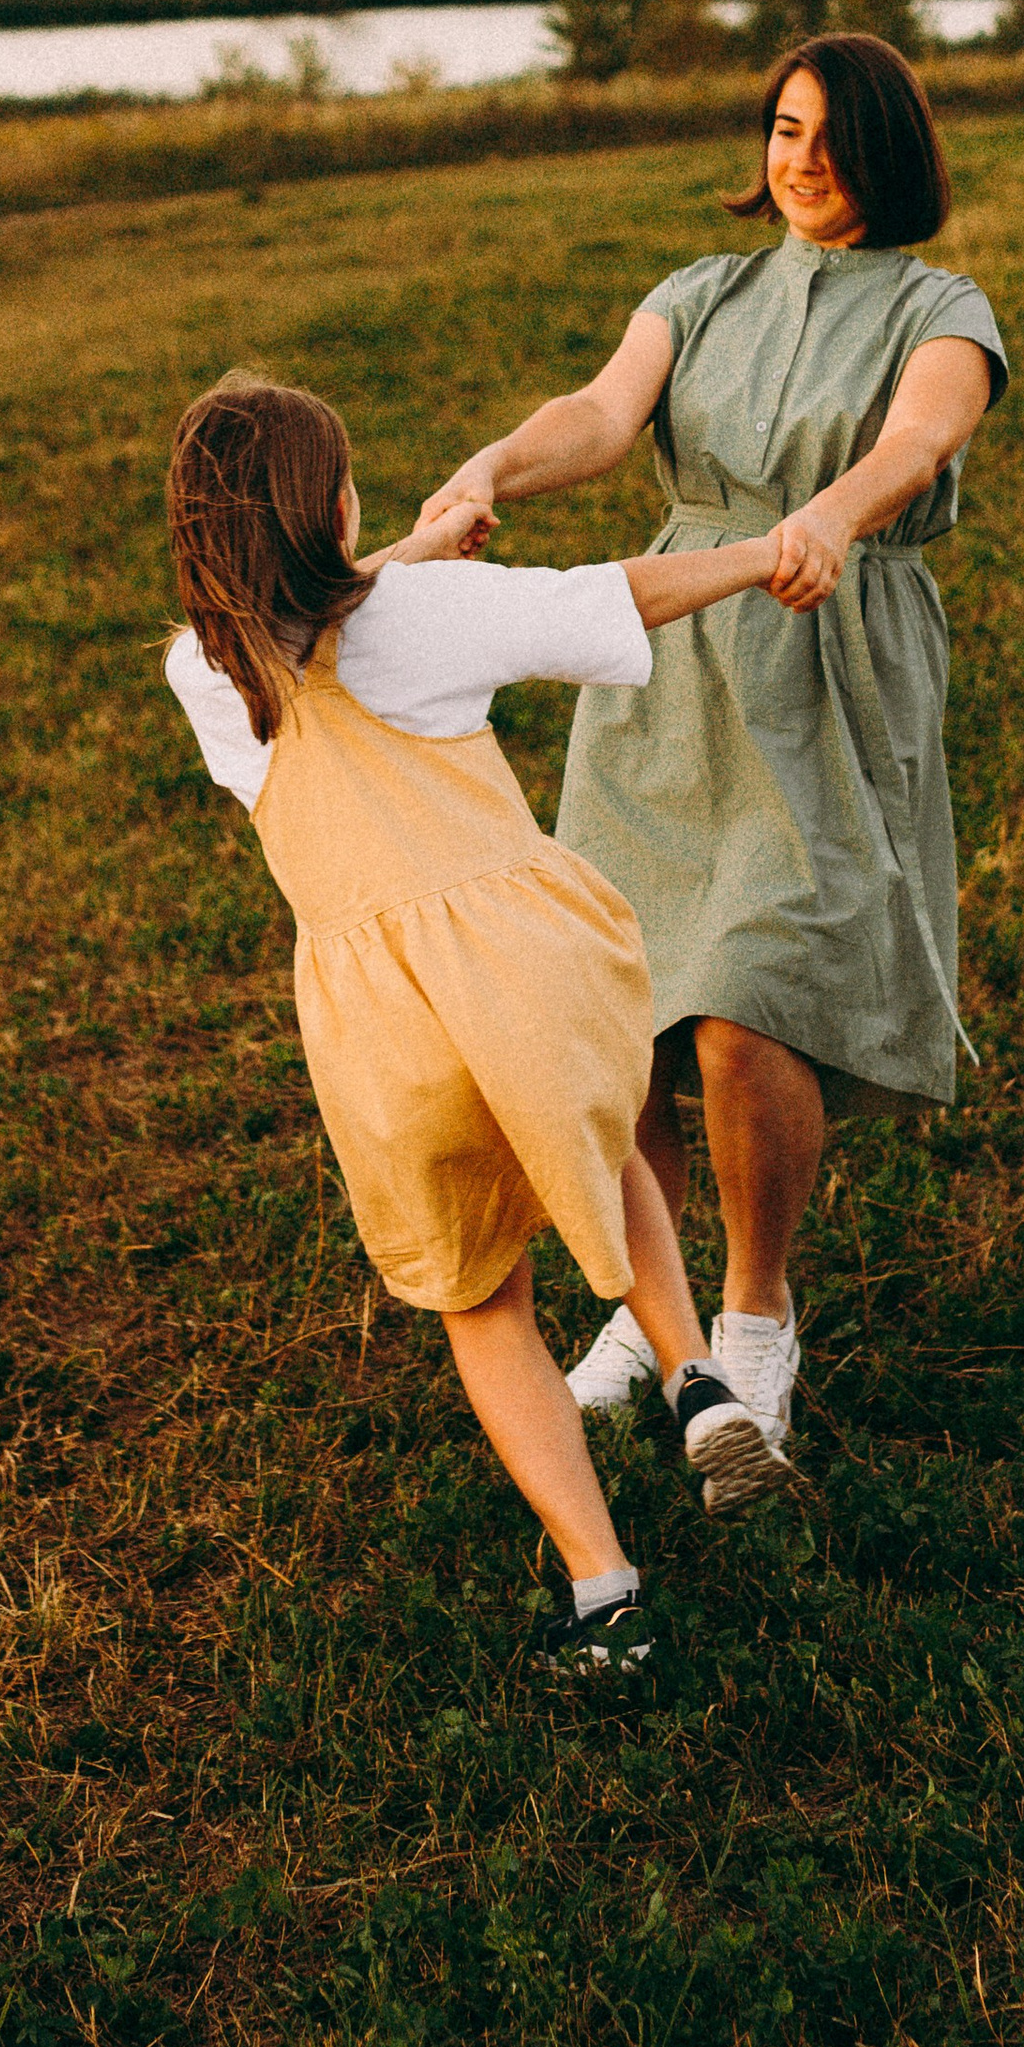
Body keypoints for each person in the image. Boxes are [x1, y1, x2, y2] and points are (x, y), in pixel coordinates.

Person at [416, 33, 1004, 1463]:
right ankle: (652, 1311)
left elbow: (918, 443)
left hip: (829, 652)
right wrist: (493, 467)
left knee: (749, 1008)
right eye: (785, 129)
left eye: (833, 137)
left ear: (890, 153)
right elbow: (600, 415)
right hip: (668, 658)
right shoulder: (700, 292)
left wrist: (831, 516)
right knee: (630, 1008)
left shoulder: (943, 309)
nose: (803, 160)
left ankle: (753, 1316)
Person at [161, 367, 799, 1679]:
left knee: (484, 1296)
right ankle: (695, 1377)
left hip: (384, 1032)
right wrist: (766, 552)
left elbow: (312, 613)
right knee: (601, 1139)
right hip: (524, 968)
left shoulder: (203, 672)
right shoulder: (427, 615)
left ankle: (603, 1594)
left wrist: (409, 549)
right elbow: (613, 596)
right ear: (335, 511)